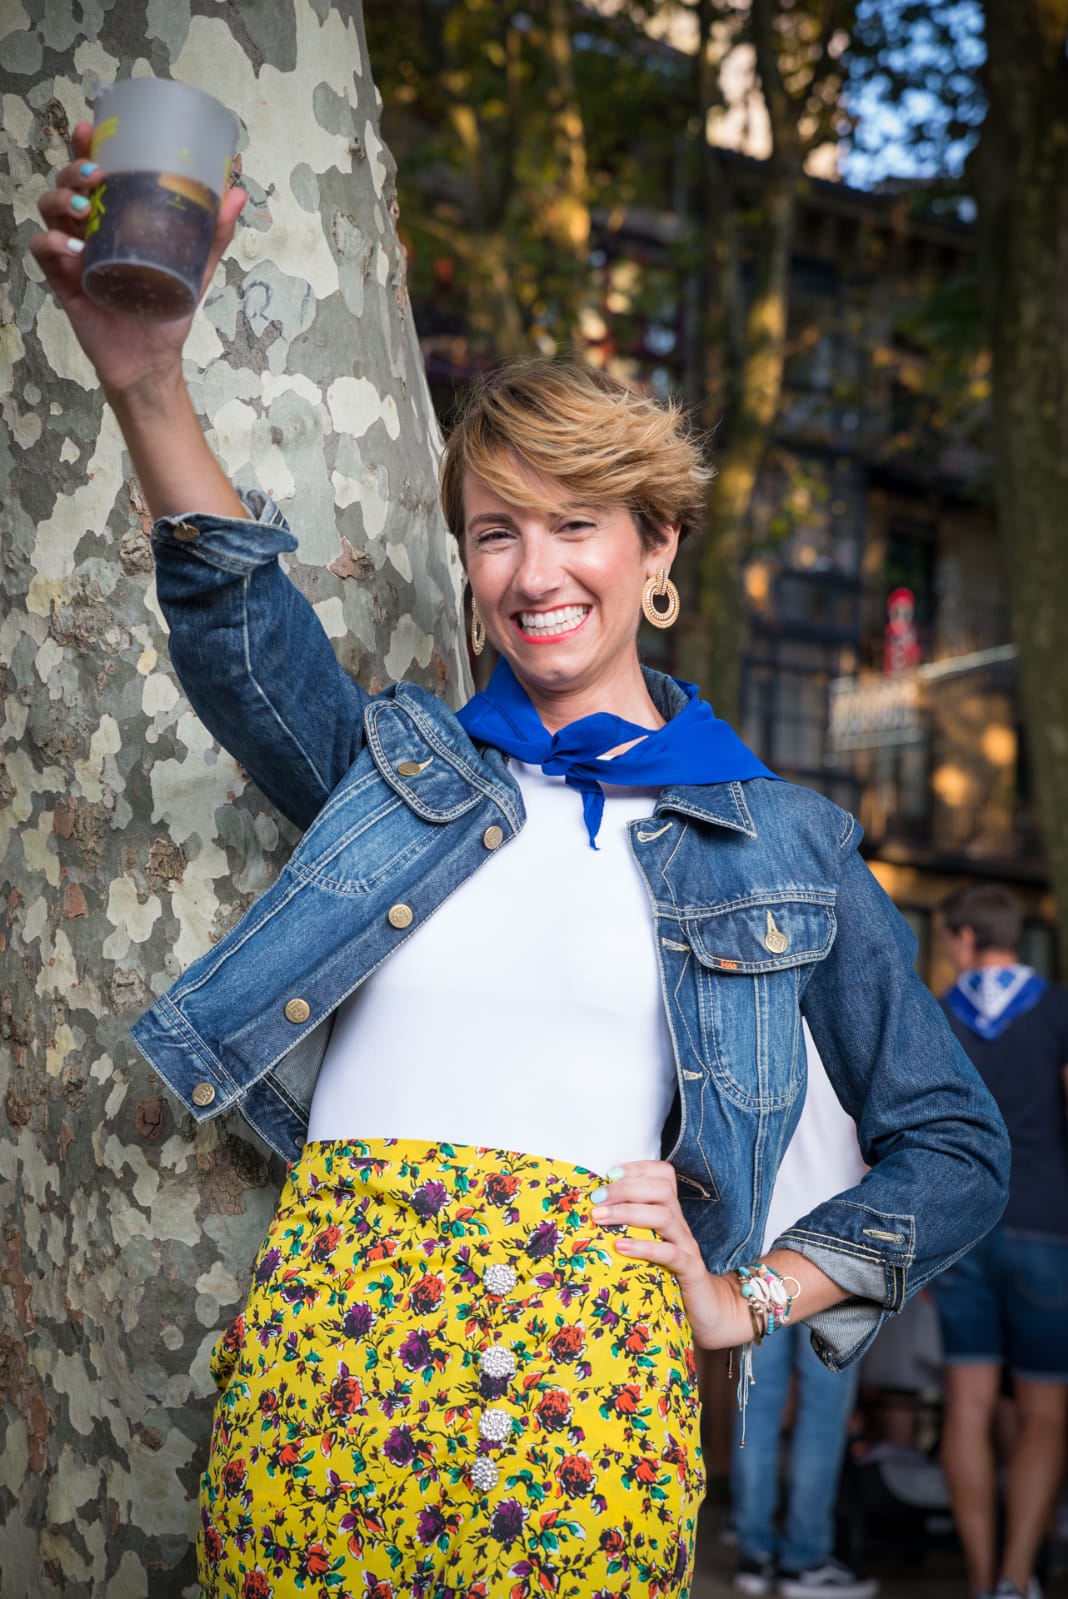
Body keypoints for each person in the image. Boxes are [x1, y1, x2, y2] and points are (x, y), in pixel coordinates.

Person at [31, 125, 1009, 1599]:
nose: (533, 571)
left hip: (586, 1383)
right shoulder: (397, 775)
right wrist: (144, 376)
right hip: (328, 1359)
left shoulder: (779, 837)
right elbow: (239, 629)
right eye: (495, 533)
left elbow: (958, 1145)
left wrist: (749, 1297)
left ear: (657, 543)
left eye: (575, 526)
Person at [932, 883, 1068, 1599]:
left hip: (962, 1224)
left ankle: (982, 1579)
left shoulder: (938, 1014)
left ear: (961, 937)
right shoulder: (1056, 1009)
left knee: (969, 1404)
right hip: (1048, 1222)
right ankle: (1019, 1575)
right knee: (1046, 1407)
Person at [731, 1028, 876, 1599]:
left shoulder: (761, 1032)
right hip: (840, 1255)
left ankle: (753, 1550)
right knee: (822, 1416)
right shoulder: (860, 1039)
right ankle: (804, 1559)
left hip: (762, 1249)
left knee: (757, 1412)